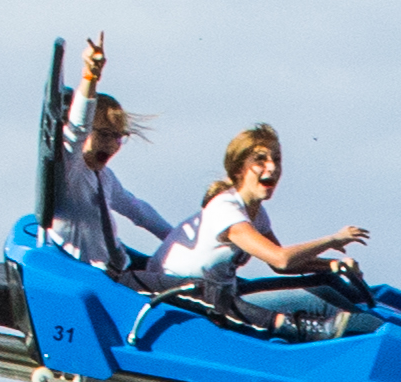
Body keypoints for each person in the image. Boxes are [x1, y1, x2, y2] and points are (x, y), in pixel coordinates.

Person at [154, 123, 380, 336]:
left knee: (326, 290)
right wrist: (333, 239)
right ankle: (376, 336)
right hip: (187, 301)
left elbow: (279, 265)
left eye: (277, 160)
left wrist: (332, 265)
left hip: (222, 293)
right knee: (316, 303)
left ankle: (389, 324)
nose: (271, 167)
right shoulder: (226, 209)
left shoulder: (256, 213)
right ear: (240, 168)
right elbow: (281, 259)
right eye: (260, 160)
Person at [47, 34, 178, 279]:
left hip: (120, 264)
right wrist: (90, 77)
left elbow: (137, 210)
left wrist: (175, 239)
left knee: (187, 277)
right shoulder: (70, 170)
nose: (113, 145)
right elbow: (77, 129)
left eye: (119, 137)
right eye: (105, 135)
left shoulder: (104, 177)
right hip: (96, 276)